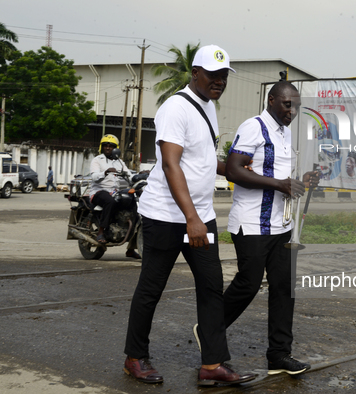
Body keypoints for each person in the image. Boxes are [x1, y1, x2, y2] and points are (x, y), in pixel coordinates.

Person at [123, 45, 255, 386]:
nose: (219, 82)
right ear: (195, 72)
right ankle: (135, 358)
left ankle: (212, 365)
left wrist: (233, 169)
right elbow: (171, 164)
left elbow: (202, 160)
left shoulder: (208, 108)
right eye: (213, 75)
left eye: (224, 76)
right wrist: (191, 218)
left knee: (212, 286)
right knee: (151, 288)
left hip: (200, 214)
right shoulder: (175, 108)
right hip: (166, 215)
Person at [223, 81, 318, 375]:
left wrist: (301, 179)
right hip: (252, 223)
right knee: (248, 284)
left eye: (296, 107)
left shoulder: (285, 133)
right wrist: (279, 184)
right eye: (287, 105)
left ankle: (279, 355)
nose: (292, 111)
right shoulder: (254, 127)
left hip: (281, 225)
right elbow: (233, 169)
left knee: (283, 287)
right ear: (272, 100)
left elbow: (280, 175)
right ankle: (211, 327)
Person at [88, 135, 140, 259]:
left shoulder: (119, 162)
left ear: (115, 149)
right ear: (101, 147)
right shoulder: (97, 160)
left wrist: (141, 175)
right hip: (99, 191)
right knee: (110, 201)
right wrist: (105, 172)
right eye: (106, 145)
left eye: (111, 146)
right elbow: (94, 176)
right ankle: (101, 232)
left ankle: (131, 249)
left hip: (114, 191)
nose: (108, 148)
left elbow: (129, 175)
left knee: (133, 204)